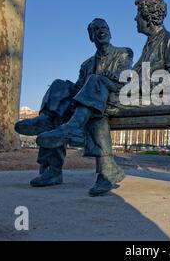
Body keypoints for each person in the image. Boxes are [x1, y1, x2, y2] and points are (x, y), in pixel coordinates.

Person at [15, 18, 133, 196]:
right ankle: (48, 129)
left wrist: (109, 76)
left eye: (104, 28)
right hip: (90, 103)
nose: (101, 31)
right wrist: (67, 91)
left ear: (110, 32)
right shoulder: (86, 64)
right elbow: (78, 87)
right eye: (96, 30)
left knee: (95, 91)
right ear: (91, 37)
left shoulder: (124, 53)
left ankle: (74, 131)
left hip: (115, 98)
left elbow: (124, 77)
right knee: (59, 86)